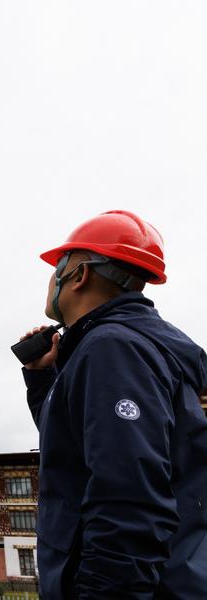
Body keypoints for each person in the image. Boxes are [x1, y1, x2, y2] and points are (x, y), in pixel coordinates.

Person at [20, 210, 207, 599]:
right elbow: (76, 452)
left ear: (79, 275)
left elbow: (129, 501)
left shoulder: (113, 349)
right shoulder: (134, 346)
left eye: (57, 266)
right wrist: (41, 379)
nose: (51, 277)